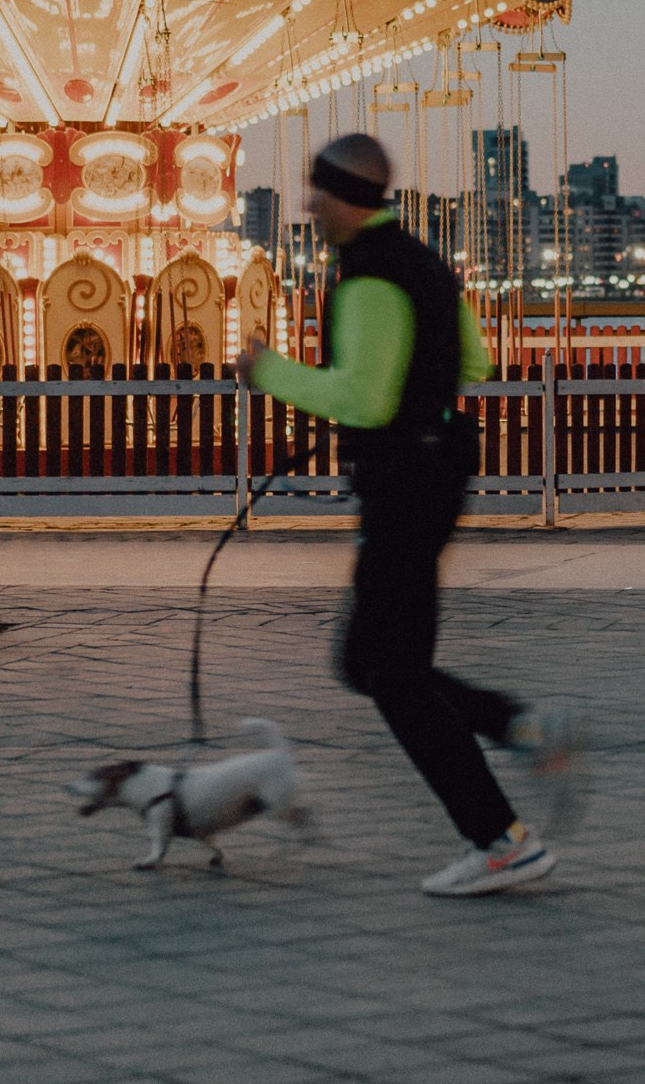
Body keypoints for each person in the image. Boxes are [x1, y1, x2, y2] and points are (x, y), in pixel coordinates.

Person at [238, 134, 584, 897]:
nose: (308, 207)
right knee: (368, 661)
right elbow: (475, 361)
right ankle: (521, 729)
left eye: (315, 194)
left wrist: (270, 372)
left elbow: (363, 398)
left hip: (402, 482)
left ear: (343, 196)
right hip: (435, 471)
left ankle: (500, 838)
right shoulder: (424, 262)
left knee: (389, 671)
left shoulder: (367, 278)